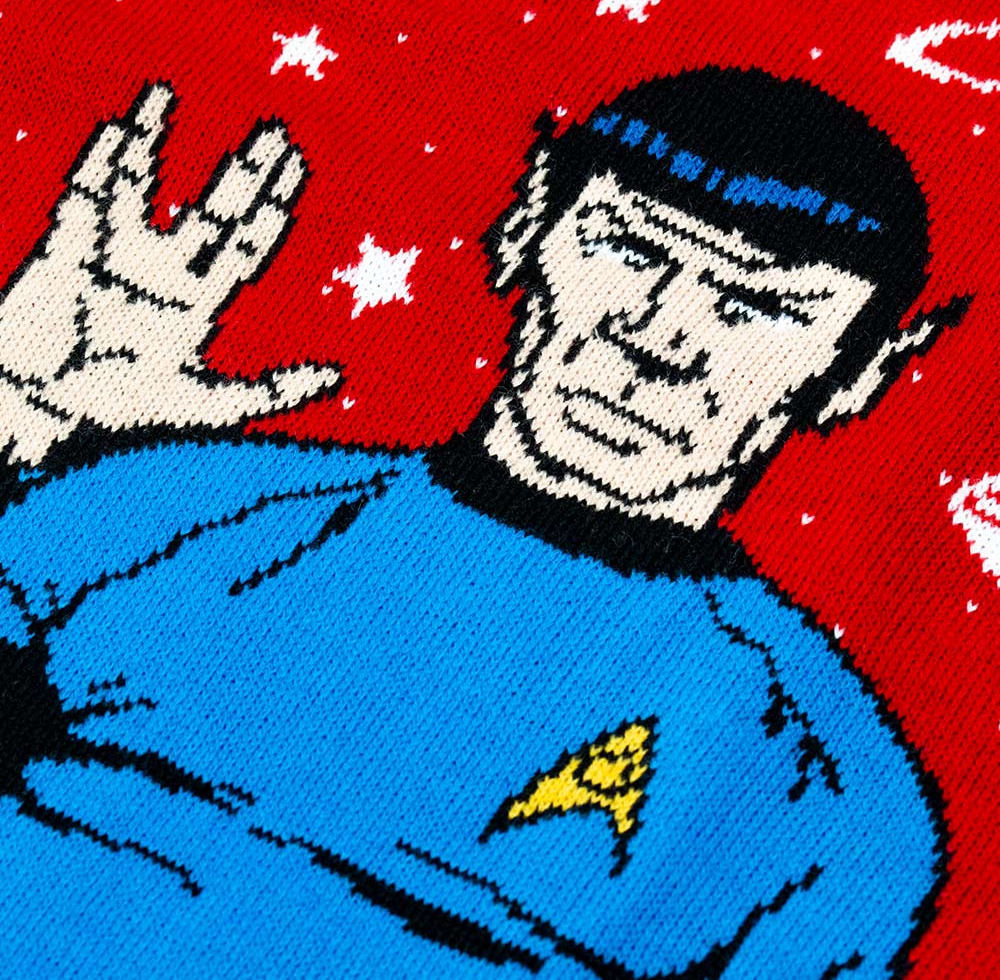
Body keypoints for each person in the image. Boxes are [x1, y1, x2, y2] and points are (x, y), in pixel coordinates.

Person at [0, 68, 957, 979]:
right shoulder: (170, 507)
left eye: (755, 309)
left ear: (859, 373)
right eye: (631, 253)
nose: (658, 340)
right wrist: (22, 416)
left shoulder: (828, 783)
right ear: (530, 223)